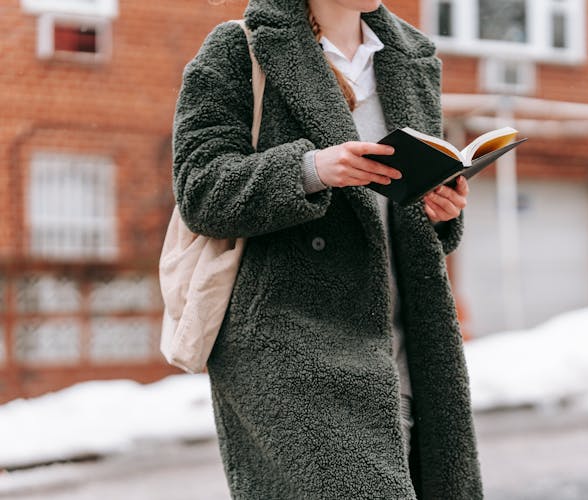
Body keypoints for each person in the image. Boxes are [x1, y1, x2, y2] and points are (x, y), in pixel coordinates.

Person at [171, 0, 483, 497]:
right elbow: (200, 189)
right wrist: (310, 170)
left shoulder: (411, 57)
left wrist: (440, 210)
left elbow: (402, 201)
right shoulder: (240, 47)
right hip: (293, 342)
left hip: (405, 337)